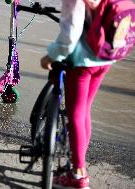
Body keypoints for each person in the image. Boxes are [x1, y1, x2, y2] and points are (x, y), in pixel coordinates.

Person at [40, 0, 116, 188]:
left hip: (83, 63)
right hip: (104, 59)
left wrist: (51, 56)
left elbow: (70, 36)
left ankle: (78, 174)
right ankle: (78, 165)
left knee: (75, 114)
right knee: (84, 111)